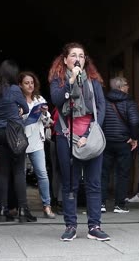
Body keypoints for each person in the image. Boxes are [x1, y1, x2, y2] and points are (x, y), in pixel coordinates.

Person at [49, 42, 109, 241]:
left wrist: (89, 134)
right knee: (69, 184)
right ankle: (70, 225)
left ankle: (95, 226)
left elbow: (101, 107)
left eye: (81, 56)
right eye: (73, 55)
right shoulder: (58, 81)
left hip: (90, 136)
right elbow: (58, 100)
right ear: (65, 60)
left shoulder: (94, 82)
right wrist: (71, 80)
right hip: (66, 136)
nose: (78, 58)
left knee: (93, 183)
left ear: (85, 60)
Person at [0, 59, 37, 223]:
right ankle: (23, 210)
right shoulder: (15, 89)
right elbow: (25, 106)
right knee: (18, 171)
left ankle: (3, 209)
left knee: (3, 171)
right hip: (14, 131)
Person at [19, 71, 55, 219]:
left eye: (32, 82)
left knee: (42, 174)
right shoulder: (17, 99)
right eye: (26, 83)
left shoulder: (39, 99)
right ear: (20, 85)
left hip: (36, 141)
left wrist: (45, 114)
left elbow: (48, 124)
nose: (30, 85)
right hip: (20, 141)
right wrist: (20, 114)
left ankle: (47, 206)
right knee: (20, 175)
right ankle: (22, 206)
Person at [101, 76, 139, 213]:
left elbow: (99, 119)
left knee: (103, 173)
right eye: (127, 85)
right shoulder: (129, 102)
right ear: (121, 87)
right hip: (123, 142)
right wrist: (134, 138)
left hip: (106, 142)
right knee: (122, 174)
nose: (128, 87)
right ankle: (119, 205)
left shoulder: (104, 100)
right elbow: (134, 121)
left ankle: (101, 204)